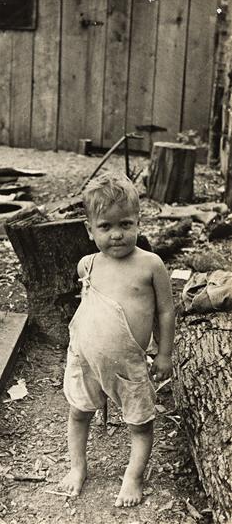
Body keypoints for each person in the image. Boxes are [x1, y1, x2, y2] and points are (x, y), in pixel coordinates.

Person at [60, 172, 175, 507]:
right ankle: (78, 467)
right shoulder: (87, 265)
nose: (117, 235)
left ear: (138, 221)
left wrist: (164, 354)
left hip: (130, 364)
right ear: (90, 229)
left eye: (125, 224)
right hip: (87, 360)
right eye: (106, 227)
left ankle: (133, 475)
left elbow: (166, 312)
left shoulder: (150, 265)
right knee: (79, 412)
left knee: (140, 422)